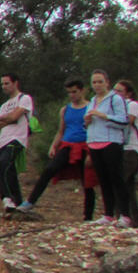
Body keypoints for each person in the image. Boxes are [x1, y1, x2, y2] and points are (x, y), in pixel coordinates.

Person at [17, 79, 97, 219]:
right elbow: (61, 130)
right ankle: (30, 202)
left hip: (84, 145)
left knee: (87, 181)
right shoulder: (65, 109)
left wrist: (92, 152)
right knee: (49, 170)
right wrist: (54, 145)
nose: (72, 95)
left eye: (74, 92)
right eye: (69, 92)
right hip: (67, 145)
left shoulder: (91, 107)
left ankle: (88, 217)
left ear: (82, 91)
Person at [84, 70, 132, 226]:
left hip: (111, 141)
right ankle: (108, 214)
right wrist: (87, 121)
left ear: (107, 83)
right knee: (103, 179)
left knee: (116, 178)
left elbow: (123, 121)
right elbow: (87, 124)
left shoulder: (115, 99)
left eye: (100, 81)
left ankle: (125, 215)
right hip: (94, 141)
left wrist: (104, 116)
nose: (97, 85)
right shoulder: (92, 101)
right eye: (94, 82)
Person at [0, 73, 34, 211]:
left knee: (4, 163)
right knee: (10, 171)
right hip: (2, 141)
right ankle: (18, 203)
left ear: (15, 83)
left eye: (7, 83)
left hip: (17, 138)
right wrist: (9, 118)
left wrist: (7, 118)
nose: (4, 86)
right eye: (2, 84)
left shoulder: (24, 99)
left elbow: (15, 117)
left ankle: (6, 197)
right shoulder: (4, 105)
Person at [113, 80, 138, 227]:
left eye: (119, 91)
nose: (116, 93)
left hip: (130, 150)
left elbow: (126, 122)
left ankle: (124, 217)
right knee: (127, 186)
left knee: (119, 183)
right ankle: (132, 220)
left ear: (128, 93)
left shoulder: (132, 105)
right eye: (114, 90)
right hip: (121, 149)